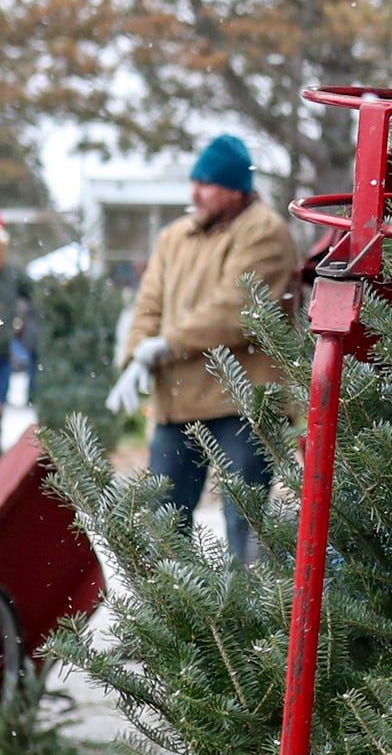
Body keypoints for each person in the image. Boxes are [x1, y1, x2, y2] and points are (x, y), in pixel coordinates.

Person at [107, 135, 299, 564]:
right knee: (164, 523)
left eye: (207, 183)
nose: (195, 191)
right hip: (178, 404)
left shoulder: (265, 231)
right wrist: (136, 352)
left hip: (243, 404)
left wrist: (165, 345)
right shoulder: (174, 237)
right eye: (194, 180)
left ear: (235, 189)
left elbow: (236, 309)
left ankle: (253, 619)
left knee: (245, 523)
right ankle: (173, 619)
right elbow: (148, 305)